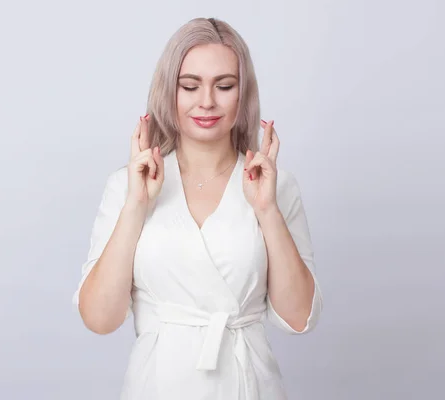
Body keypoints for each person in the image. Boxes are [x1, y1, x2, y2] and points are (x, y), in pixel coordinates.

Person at [72, 17, 323, 400]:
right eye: (189, 86)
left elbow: (299, 318)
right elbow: (99, 319)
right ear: (168, 91)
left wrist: (267, 210)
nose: (207, 101)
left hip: (248, 384)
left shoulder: (275, 185)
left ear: (244, 94)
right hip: (157, 386)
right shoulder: (128, 185)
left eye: (224, 86)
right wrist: (136, 206)